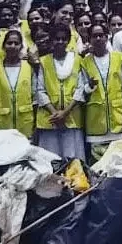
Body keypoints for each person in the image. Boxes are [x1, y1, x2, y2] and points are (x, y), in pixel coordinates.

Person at [35, 24, 86, 160]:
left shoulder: (77, 60)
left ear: (68, 40)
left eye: (64, 39)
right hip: (50, 119)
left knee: (73, 161)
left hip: (72, 117)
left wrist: (65, 113)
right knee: (50, 161)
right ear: (51, 40)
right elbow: (40, 90)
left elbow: (80, 89)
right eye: (57, 39)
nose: (60, 42)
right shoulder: (44, 61)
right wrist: (55, 113)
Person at [81, 24, 122, 161]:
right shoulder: (84, 62)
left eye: (101, 35)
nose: (98, 39)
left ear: (107, 37)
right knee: (99, 165)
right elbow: (82, 90)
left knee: (120, 162)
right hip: (96, 121)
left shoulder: (119, 58)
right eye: (94, 36)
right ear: (89, 39)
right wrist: (89, 86)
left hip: (117, 117)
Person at [0, 30, 35, 136]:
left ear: (21, 46)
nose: (13, 46)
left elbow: (35, 97)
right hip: (2, 123)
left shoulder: (29, 67)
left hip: (25, 122)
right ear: (3, 46)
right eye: (9, 43)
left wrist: (36, 124)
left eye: (16, 43)